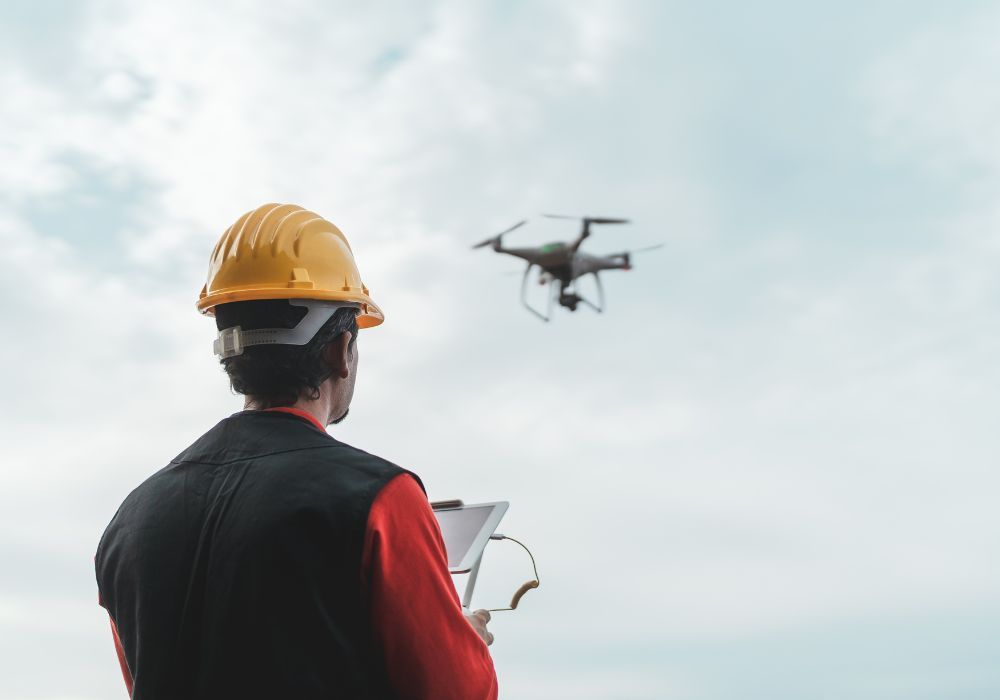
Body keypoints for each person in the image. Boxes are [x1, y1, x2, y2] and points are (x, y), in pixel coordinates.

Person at [95, 203, 498, 699]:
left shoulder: (132, 517)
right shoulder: (380, 498)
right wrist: (469, 645)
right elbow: (453, 692)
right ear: (339, 351)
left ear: (229, 348)